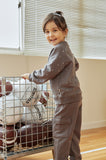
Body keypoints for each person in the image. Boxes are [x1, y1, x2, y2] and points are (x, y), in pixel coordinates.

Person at [21, 11, 82, 160]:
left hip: (65, 99)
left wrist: (31, 76)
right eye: (47, 32)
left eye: (55, 30)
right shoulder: (66, 48)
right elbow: (76, 65)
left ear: (65, 32)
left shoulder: (59, 49)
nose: (51, 35)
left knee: (60, 133)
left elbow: (47, 72)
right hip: (75, 96)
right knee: (72, 133)